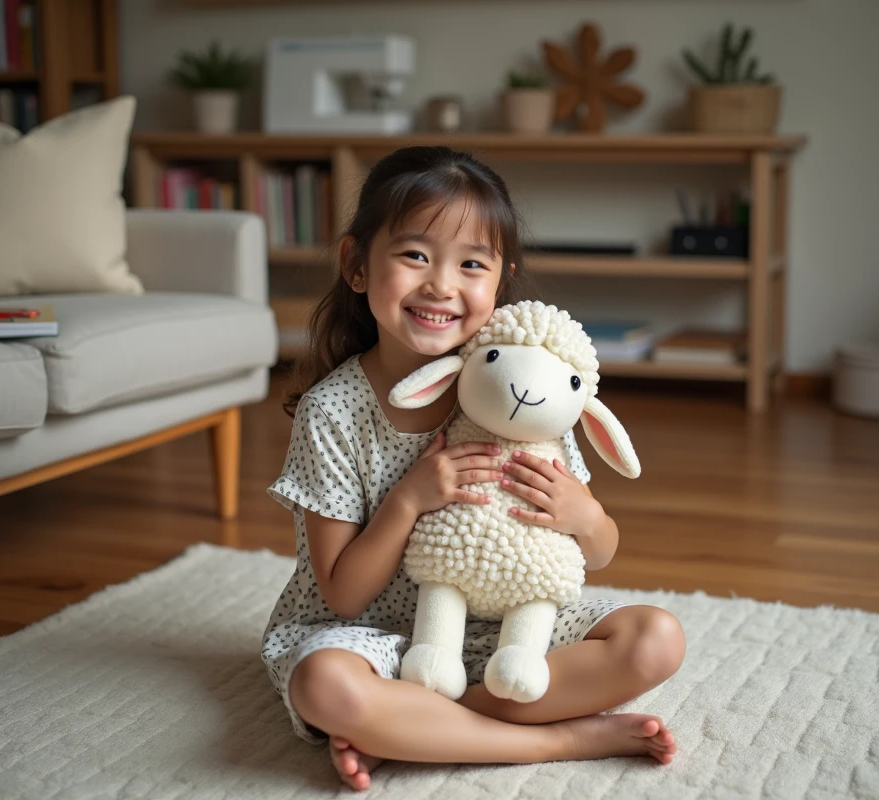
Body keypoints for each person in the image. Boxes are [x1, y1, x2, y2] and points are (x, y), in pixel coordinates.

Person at [262, 145, 686, 791]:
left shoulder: (524, 392)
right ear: (356, 264)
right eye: (414, 255)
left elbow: (597, 553)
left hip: (502, 633)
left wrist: (586, 516)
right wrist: (408, 501)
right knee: (325, 686)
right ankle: (555, 740)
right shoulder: (333, 413)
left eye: (470, 264)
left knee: (656, 638)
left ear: (499, 281)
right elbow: (343, 594)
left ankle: (410, 731)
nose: (441, 284)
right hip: (367, 639)